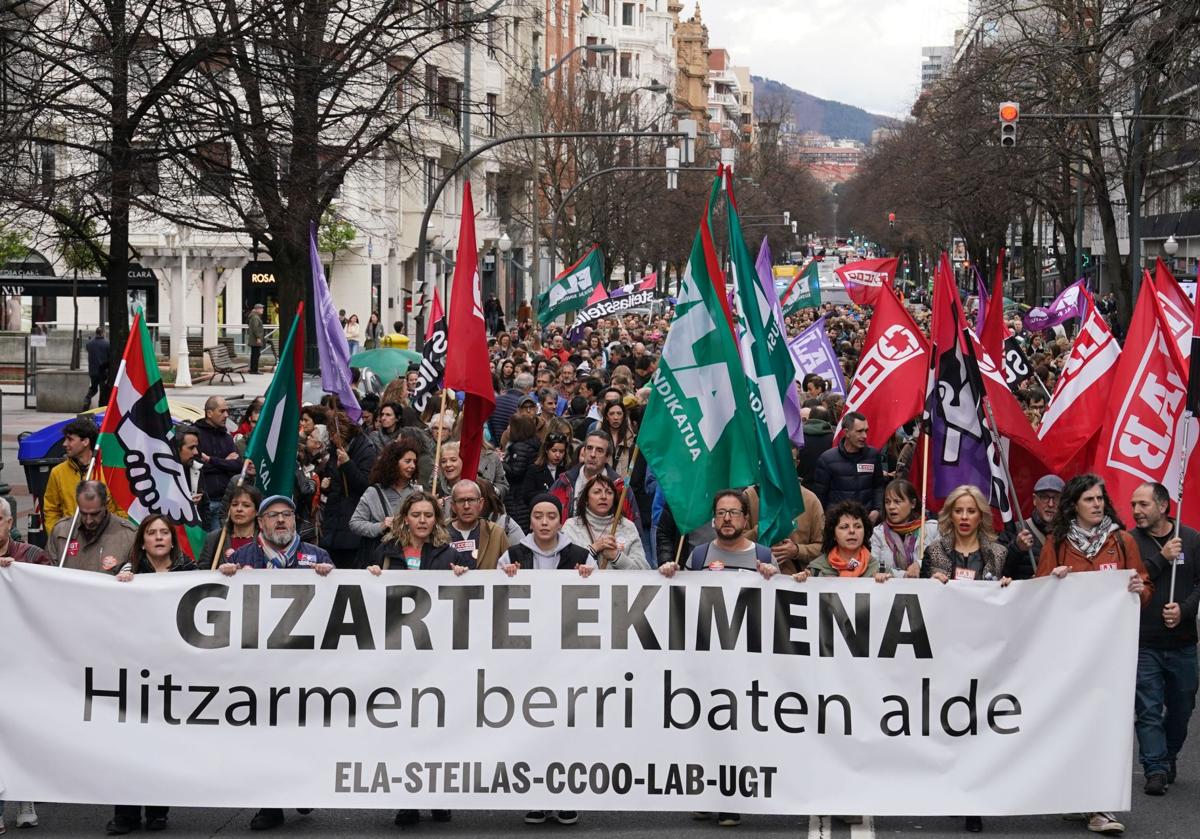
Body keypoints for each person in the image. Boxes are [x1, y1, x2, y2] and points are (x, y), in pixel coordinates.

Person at [1036, 474, 1150, 836]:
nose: (1097, 504)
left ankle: (1100, 806)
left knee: (1106, 725)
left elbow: (1144, 586)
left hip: (1110, 652)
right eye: (1089, 499)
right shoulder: (1056, 541)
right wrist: (1053, 579)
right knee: (1074, 724)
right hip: (1069, 653)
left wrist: (1137, 587)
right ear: (1075, 504)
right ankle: (1080, 796)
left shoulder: (1122, 540)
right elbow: (1038, 591)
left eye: (1100, 498)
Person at [218, 496, 328, 831]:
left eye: (287, 515)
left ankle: (303, 786)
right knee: (265, 735)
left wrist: (332, 577)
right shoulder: (242, 557)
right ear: (261, 522)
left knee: (304, 731)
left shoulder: (318, 557)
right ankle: (270, 804)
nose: (281, 521)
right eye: (273, 516)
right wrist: (226, 578)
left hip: (305, 663)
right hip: (261, 666)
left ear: (295, 520)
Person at [1129, 482, 1200, 796]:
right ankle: (1154, 768)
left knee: (1182, 706)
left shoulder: (1192, 538)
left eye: (1143, 504)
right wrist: (1162, 556)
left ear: (1162, 506)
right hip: (1144, 642)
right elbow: (1131, 579)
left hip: (1183, 643)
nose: (1136, 511)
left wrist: (1184, 611)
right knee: (1148, 708)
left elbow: (1199, 584)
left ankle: (1169, 754)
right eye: (1134, 505)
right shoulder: (1129, 540)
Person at [659, 490, 779, 578]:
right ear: (714, 520)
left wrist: (773, 579)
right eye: (721, 513)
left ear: (745, 519)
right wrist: (670, 576)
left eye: (734, 512)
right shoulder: (698, 557)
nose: (727, 518)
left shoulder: (765, 558)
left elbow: (779, 605)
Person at [318, 412, 377, 567]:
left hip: (352, 524)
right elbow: (335, 480)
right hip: (333, 523)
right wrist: (326, 486)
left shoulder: (366, 449)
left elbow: (365, 486)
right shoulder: (334, 449)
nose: (331, 438)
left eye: (333, 434)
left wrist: (347, 464)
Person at [350, 440, 423, 564]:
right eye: (407, 461)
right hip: (379, 559)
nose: (412, 466)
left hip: (410, 557)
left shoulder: (418, 493)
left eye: (414, 462)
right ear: (394, 463)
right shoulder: (373, 492)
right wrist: (381, 526)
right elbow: (355, 523)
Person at [43, 417, 119, 535]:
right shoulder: (57, 472)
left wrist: (114, 537)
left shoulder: (109, 471)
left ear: (85, 442)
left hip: (106, 538)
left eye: (70, 439)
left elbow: (121, 509)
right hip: (70, 540)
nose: (64, 444)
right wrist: (57, 536)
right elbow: (51, 510)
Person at [549, 431, 638, 526]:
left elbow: (632, 529)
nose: (593, 454)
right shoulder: (564, 482)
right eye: (589, 448)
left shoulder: (620, 488)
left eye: (599, 450)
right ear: (584, 451)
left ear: (607, 457)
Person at [809, 411, 886, 521]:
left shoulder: (873, 456)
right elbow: (820, 497)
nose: (864, 436)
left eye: (866, 431)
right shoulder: (827, 459)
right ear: (846, 432)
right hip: (839, 525)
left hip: (867, 522)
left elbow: (879, 486)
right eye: (859, 431)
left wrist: (878, 510)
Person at [47, 482, 138, 574]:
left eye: (95, 514)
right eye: (83, 513)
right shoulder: (61, 531)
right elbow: (47, 574)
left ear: (106, 504)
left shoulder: (128, 535)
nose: (88, 520)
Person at [562, 474, 649, 570]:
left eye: (609, 492)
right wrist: (594, 548)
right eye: (597, 492)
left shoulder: (627, 526)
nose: (604, 497)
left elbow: (644, 570)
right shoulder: (572, 526)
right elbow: (563, 565)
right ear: (586, 499)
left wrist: (617, 557)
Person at [793, 500, 882, 581]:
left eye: (858, 526)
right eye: (844, 527)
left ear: (865, 532)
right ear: (833, 534)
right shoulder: (816, 571)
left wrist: (884, 584)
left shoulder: (880, 570)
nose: (852, 531)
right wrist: (803, 582)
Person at [871, 479, 939, 578]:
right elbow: (874, 567)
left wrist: (919, 565)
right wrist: (903, 575)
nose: (891, 507)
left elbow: (940, 562)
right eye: (887, 502)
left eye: (897, 501)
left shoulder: (931, 529)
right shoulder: (879, 532)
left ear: (913, 504)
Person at [195, 396, 244, 531]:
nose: (226, 415)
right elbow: (197, 467)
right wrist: (224, 463)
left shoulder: (227, 438)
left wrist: (211, 460)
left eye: (227, 411)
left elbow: (237, 466)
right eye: (221, 411)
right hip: (203, 503)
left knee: (219, 544)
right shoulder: (196, 435)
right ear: (209, 413)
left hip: (224, 502)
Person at [1004, 474, 1062, 580]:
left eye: (1057, 498)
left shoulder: (1072, 535)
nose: (1050, 504)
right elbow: (999, 572)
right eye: (1045, 497)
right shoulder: (1014, 530)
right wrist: (1016, 549)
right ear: (1035, 499)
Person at [445, 479, 511, 569]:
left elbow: (510, 567)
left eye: (471, 500)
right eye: (461, 501)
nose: (466, 506)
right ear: (453, 506)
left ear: (481, 503)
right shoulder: (440, 534)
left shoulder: (496, 533)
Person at [197, 484, 262, 569]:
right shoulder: (214, 538)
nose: (239, 509)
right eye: (234, 504)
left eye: (246, 505)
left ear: (257, 511)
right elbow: (202, 573)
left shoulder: (264, 539)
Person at [771, 484, 825, 575]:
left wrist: (797, 550)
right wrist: (761, 529)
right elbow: (739, 543)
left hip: (799, 581)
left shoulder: (810, 499)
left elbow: (823, 548)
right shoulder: (751, 495)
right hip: (758, 581)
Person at [503, 414, 541, 532]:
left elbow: (516, 472)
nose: (508, 428)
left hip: (517, 496)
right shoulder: (533, 444)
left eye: (510, 426)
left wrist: (501, 463)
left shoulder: (520, 447)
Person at [83, 325, 111, 409]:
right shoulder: (107, 344)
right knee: (103, 392)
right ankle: (101, 408)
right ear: (103, 333)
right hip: (103, 372)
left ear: (96, 333)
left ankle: (87, 399)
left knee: (94, 388)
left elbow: (88, 350)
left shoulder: (89, 344)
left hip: (93, 371)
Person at [247, 302, 266, 373]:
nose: (262, 310)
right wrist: (258, 337)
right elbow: (255, 328)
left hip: (254, 339)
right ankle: (254, 370)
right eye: (261, 308)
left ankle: (253, 369)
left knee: (254, 354)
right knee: (256, 355)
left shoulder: (254, 316)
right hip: (255, 340)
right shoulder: (255, 317)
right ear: (257, 309)